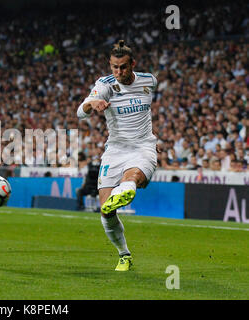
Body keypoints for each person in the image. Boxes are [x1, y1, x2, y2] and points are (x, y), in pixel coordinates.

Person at [77, 40, 158, 271]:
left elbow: (147, 115)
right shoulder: (105, 84)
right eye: (114, 67)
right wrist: (93, 103)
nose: (118, 72)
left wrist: (153, 137)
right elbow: (79, 112)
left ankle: (128, 188)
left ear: (133, 64)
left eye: (122, 67)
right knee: (106, 210)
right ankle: (124, 255)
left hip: (143, 147)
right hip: (115, 150)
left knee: (131, 178)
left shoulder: (149, 81)